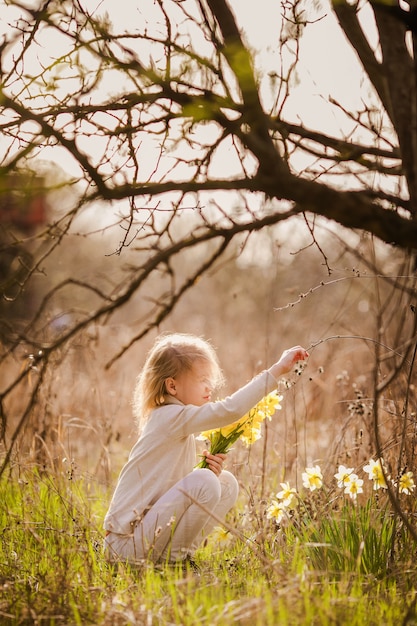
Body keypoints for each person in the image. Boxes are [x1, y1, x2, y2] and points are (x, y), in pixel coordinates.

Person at [104, 332, 308, 568]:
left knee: (224, 482)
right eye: (201, 379)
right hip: (124, 546)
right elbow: (229, 411)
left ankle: (178, 558)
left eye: (209, 379)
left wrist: (202, 472)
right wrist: (277, 370)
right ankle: (174, 563)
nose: (209, 386)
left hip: (144, 535)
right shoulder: (169, 417)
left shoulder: (175, 419)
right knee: (205, 480)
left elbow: (165, 489)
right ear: (172, 385)